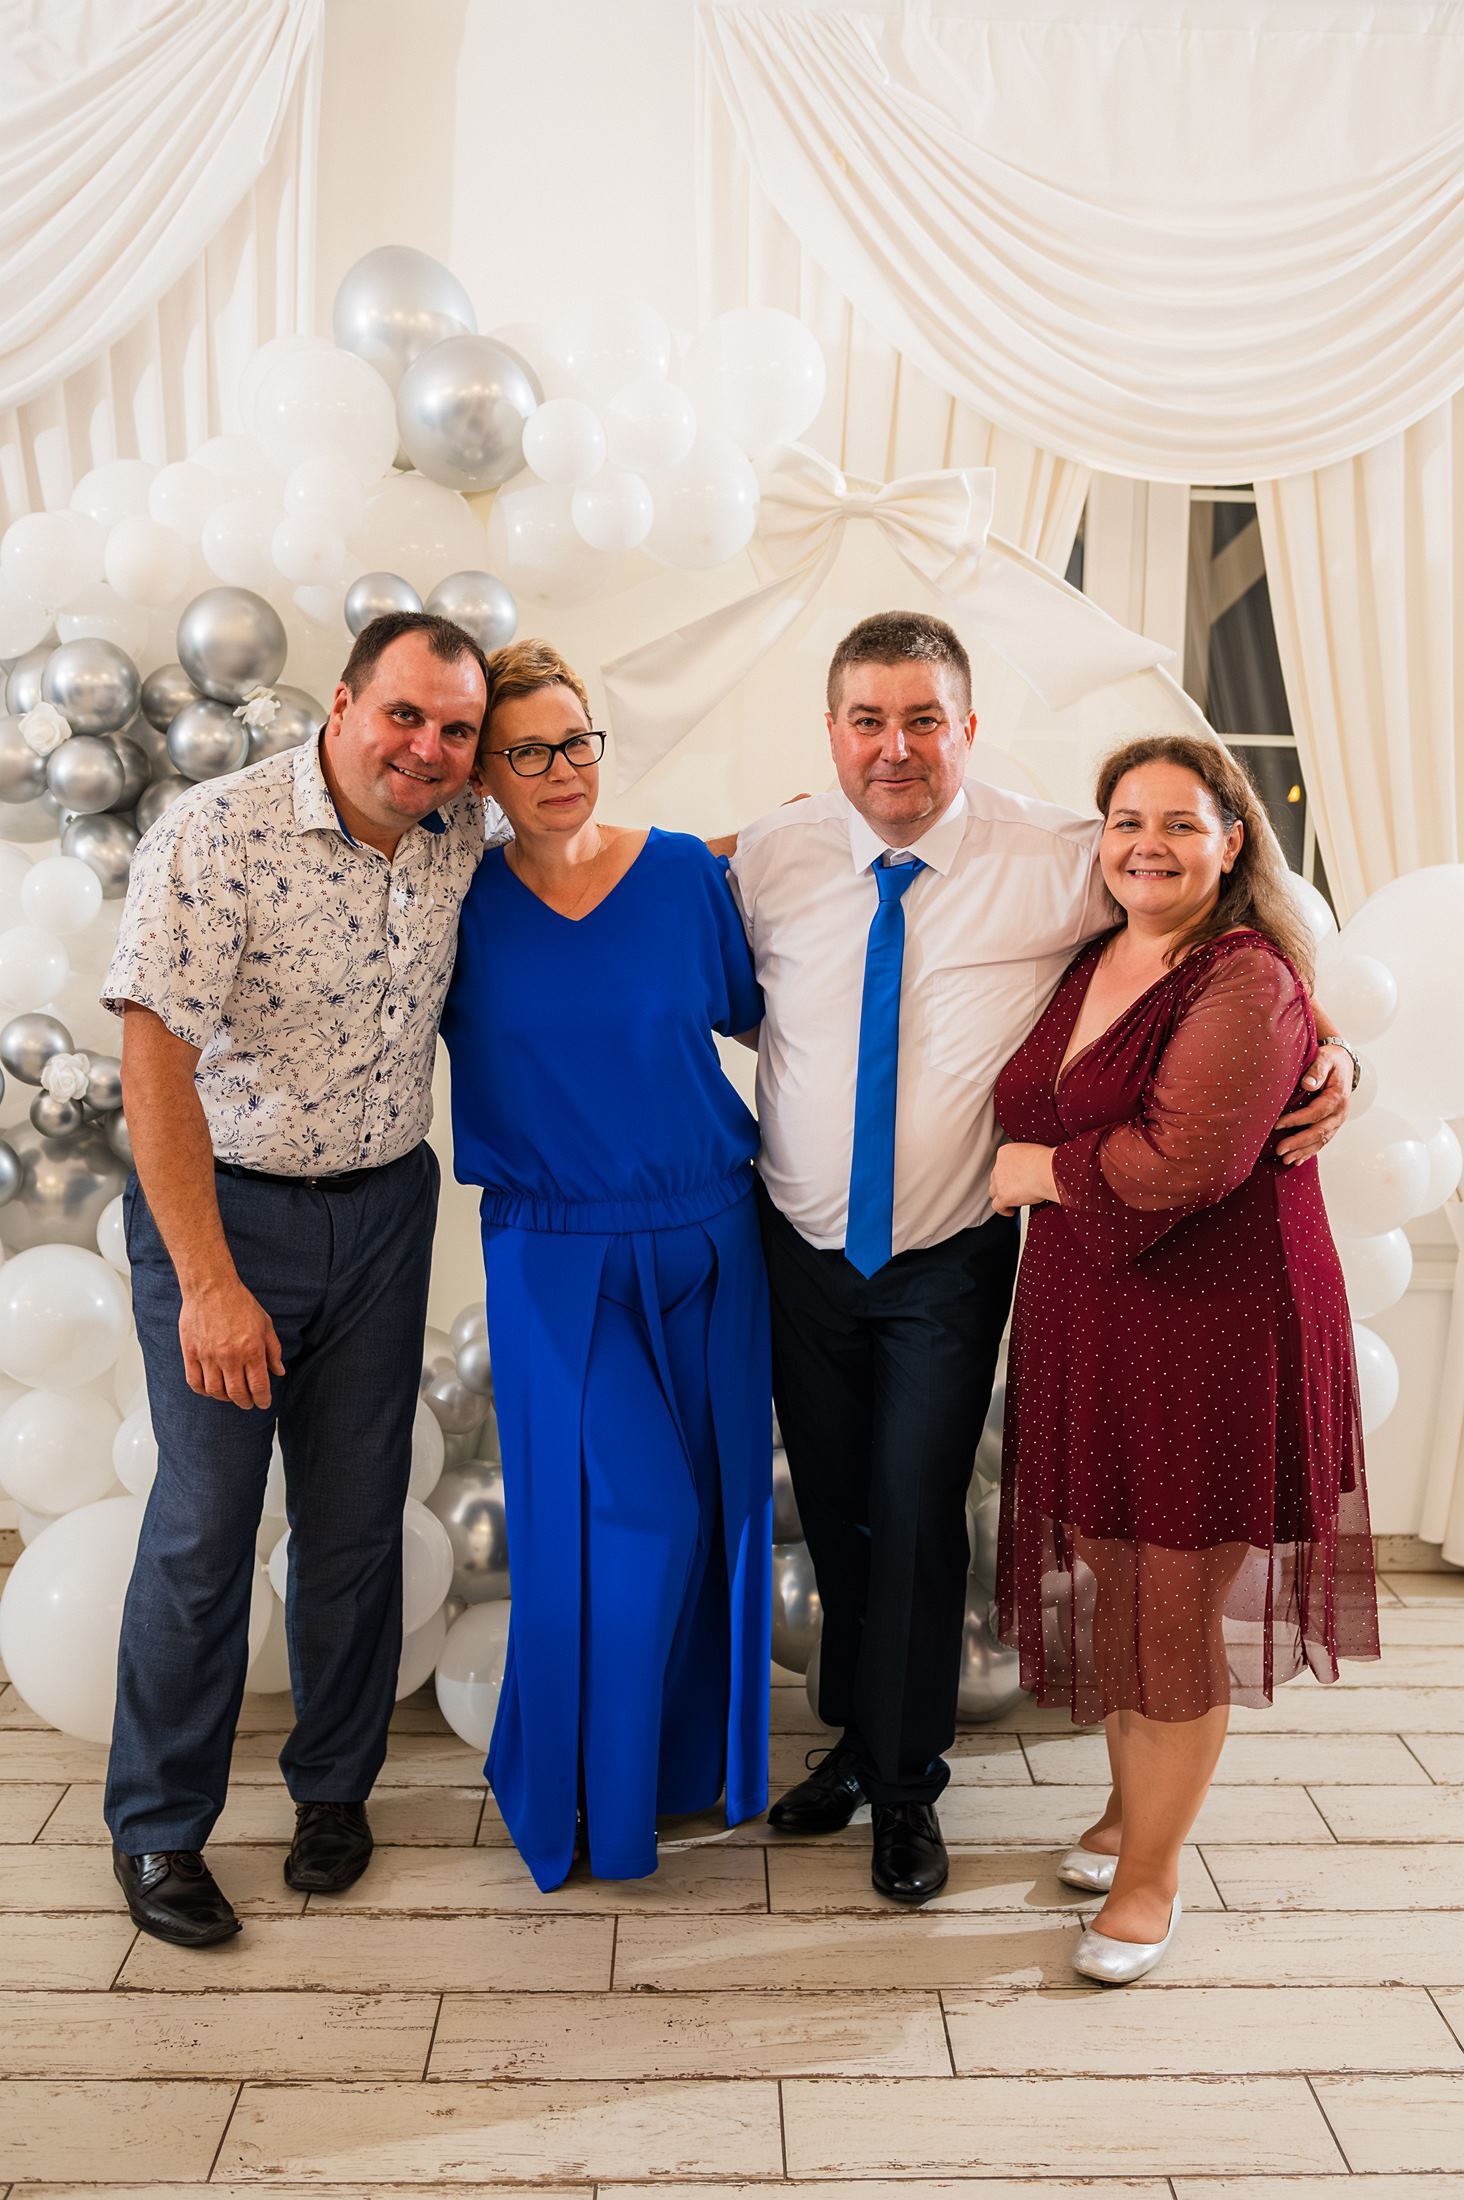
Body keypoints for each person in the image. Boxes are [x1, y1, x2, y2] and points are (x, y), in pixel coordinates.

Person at [726, 611, 1355, 1906]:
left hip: (947, 1253)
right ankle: (859, 1742)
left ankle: (908, 1785)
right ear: (832, 731)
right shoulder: (768, 856)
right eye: (867, 720)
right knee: (836, 1511)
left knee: (915, 1513)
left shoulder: (1061, 855)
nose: (895, 748)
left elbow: (1219, 931)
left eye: (923, 720)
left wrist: (1334, 1048)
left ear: (967, 728)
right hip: (796, 1244)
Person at [102, 611, 499, 1947]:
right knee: (206, 1529)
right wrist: (209, 1284)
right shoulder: (217, 834)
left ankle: (333, 1791)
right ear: (341, 704)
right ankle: (158, 1829)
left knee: (353, 1523)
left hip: (384, 1213)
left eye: (456, 728)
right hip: (227, 1218)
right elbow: (152, 1065)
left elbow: (597, 845)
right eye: (405, 715)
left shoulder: (462, 829)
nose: (428, 748)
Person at [990, 733, 1379, 1983]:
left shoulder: (1245, 975)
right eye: (1125, 820)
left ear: (1233, 841)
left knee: (1172, 1603)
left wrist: (1034, 1170)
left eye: (1178, 822)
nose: (1146, 843)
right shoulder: (1096, 952)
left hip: (1213, 1326)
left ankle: (1153, 1878)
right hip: (1098, 1318)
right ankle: (1127, 1813)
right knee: (1117, 1576)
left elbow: (1182, 1163)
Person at [438, 639, 771, 1893]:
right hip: (552, 1250)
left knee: (713, 1517)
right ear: (483, 774)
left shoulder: (684, 873)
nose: (562, 768)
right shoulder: (456, 903)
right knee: (637, 1514)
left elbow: (763, 1014)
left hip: (711, 1233)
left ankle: (679, 1771)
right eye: (526, 751)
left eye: (576, 740)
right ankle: (580, 1791)